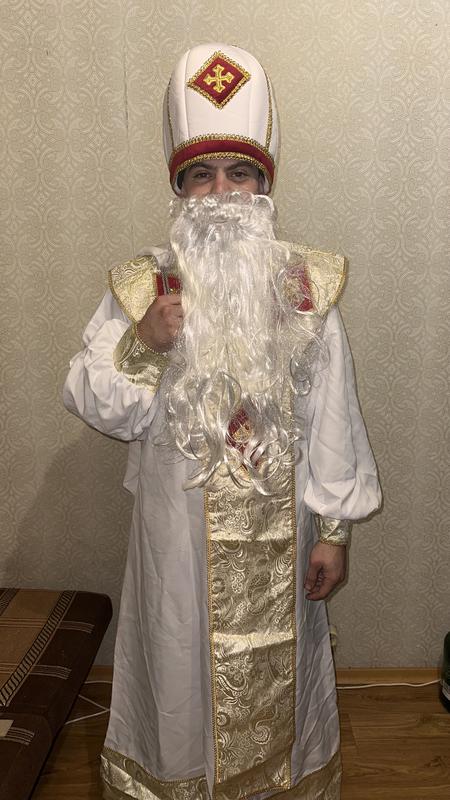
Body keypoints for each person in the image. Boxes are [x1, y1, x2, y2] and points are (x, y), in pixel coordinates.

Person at [63, 43, 381, 800]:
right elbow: (86, 394)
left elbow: (333, 410)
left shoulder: (303, 286)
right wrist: (144, 345)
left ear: (265, 184)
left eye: (241, 173)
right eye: (200, 175)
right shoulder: (144, 283)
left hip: (284, 529)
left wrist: (334, 531)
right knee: (177, 665)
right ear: (178, 188)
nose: (222, 193)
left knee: (284, 669)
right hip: (176, 535)